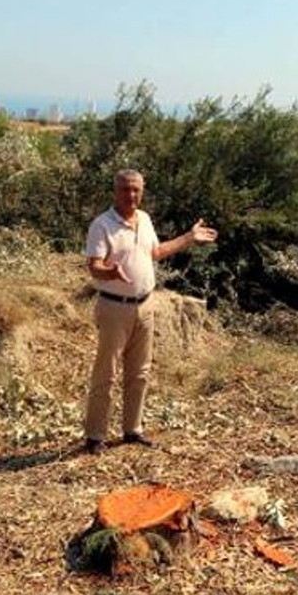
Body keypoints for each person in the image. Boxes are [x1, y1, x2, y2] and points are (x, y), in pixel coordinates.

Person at [82, 169, 217, 454]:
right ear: (115, 191)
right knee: (106, 374)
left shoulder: (144, 219)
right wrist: (109, 272)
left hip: (145, 306)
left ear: (142, 191)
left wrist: (189, 238)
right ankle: (95, 437)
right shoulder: (102, 225)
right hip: (113, 309)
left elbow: (155, 252)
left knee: (140, 372)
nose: (131, 195)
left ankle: (132, 430)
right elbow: (93, 266)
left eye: (136, 190)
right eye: (125, 189)